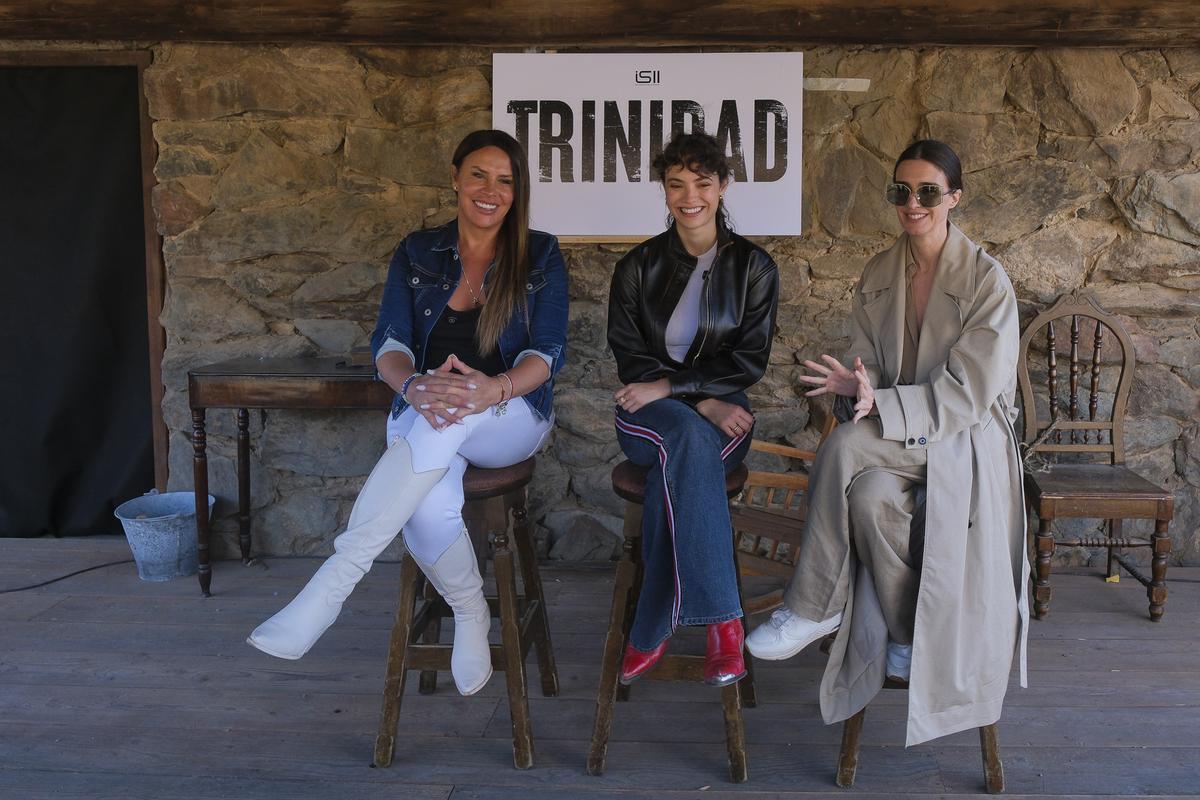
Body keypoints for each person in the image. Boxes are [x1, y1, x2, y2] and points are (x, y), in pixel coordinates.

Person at [248, 130, 569, 698]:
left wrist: (489, 389)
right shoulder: (418, 251)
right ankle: (472, 613)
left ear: (517, 193)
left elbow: (545, 355)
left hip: (510, 413)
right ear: (454, 177)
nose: (490, 191)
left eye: (506, 180)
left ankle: (333, 584)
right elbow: (389, 343)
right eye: (478, 175)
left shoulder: (540, 253)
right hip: (426, 412)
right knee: (431, 503)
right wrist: (415, 384)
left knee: (456, 414)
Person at [745, 139, 1028, 746]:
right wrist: (858, 390)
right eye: (902, 191)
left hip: (964, 440)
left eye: (928, 191)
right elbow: (866, 373)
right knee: (871, 496)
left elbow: (970, 395)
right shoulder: (878, 273)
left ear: (954, 197)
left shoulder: (986, 280)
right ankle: (905, 637)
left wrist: (880, 408)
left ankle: (813, 603)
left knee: (845, 448)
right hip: (897, 439)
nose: (913, 204)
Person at [607, 132, 780, 687]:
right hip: (645, 414)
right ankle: (724, 624)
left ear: (722, 186)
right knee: (685, 438)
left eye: (702, 184)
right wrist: (693, 398)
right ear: (663, 190)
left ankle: (651, 623)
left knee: (676, 474)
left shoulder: (754, 267)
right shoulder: (636, 267)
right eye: (676, 184)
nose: (689, 197)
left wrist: (687, 392)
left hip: (720, 411)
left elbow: (749, 360)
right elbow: (629, 355)